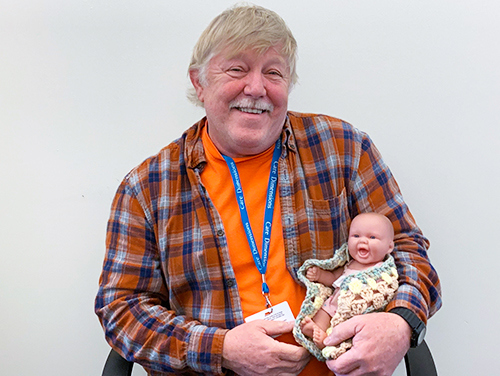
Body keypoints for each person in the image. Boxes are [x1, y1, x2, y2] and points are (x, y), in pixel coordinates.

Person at [95, 4, 442, 376]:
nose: (256, 88)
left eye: (273, 72)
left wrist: (401, 323)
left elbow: (407, 248)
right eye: (237, 69)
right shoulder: (148, 188)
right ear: (199, 82)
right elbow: (122, 309)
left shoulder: (343, 149)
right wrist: (221, 349)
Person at [299, 212, 396, 354]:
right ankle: (316, 330)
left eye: (372, 237)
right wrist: (319, 275)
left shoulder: (382, 272)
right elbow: (333, 279)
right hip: (333, 304)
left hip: (354, 315)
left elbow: (382, 296)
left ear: (389, 247)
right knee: (323, 312)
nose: (362, 241)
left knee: (346, 330)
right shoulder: (349, 264)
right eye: (356, 236)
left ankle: (329, 341)